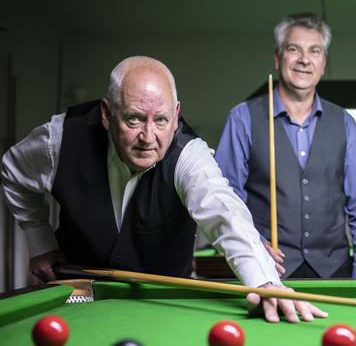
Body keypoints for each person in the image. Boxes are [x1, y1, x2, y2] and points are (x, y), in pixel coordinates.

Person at [1, 55, 326, 323]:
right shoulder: (60, 140)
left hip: (169, 303)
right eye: (133, 119)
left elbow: (223, 211)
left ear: (176, 115)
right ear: (106, 113)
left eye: (161, 120)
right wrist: (39, 239)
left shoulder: (188, 154)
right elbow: (13, 171)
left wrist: (265, 282)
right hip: (79, 294)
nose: (148, 136)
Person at [215, 12, 356, 279]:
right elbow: (225, 197)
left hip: (334, 270)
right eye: (294, 49)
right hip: (266, 271)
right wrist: (252, 243)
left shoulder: (345, 123)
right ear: (278, 57)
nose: (305, 59)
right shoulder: (243, 118)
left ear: (323, 63)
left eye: (314, 51)